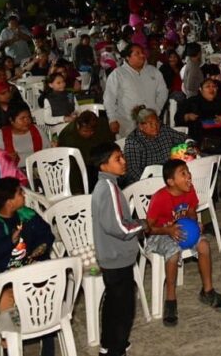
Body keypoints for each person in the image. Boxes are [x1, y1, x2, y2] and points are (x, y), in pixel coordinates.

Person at [0, 177, 56, 356]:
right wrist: (9, 242)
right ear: (9, 201)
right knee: (7, 306)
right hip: (0, 279)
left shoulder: (28, 215)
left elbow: (46, 234)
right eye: (20, 193)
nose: (24, 195)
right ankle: (9, 347)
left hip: (28, 272)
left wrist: (39, 250)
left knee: (47, 296)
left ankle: (48, 345)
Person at [145, 158, 221, 327]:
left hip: (184, 230)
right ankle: (170, 299)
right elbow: (149, 228)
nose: (189, 176)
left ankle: (207, 291)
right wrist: (168, 230)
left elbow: (191, 211)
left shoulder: (189, 191)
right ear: (171, 181)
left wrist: (194, 222)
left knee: (204, 245)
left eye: (188, 172)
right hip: (160, 234)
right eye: (183, 173)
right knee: (174, 253)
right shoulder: (160, 198)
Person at [90, 142, 151, 356]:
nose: (124, 161)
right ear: (103, 166)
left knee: (112, 304)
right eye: (118, 159)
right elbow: (120, 227)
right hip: (117, 258)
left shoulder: (107, 186)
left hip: (112, 256)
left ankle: (108, 346)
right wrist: (142, 224)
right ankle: (116, 349)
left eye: (122, 156)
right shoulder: (108, 189)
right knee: (124, 309)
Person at [175, 78, 221, 201]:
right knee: (205, 164)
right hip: (199, 138)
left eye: (214, 86)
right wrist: (188, 116)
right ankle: (210, 191)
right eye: (208, 86)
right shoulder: (192, 102)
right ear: (200, 89)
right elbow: (177, 118)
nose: (212, 89)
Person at [103, 44, 169, 137]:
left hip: (150, 123)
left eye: (142, 52)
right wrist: (112, 119)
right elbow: (109, 98)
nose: (142, 55)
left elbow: (163, 92)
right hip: (127, 123)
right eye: (137, 53)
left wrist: (157, 109)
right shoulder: (118, 74)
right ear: (127, 57)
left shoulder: (154, 71)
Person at [124, 106, 188, 186]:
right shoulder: (133, 142)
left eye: (157, 122)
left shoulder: (164, 129)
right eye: (151, 124)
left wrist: (190, 144)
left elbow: (183, 138)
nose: (155, 126)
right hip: (147, 182)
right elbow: (133, 170)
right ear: (141, 126)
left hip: (169, 175)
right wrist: (152, 183)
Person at [56, 110, 115, 193]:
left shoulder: (102, 126)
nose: (89, 133)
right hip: (77, 167)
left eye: (91, 131)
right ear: (78, 126)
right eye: (85, 131)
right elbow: (66, 162)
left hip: (98, 162)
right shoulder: (68, 135)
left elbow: (109, 146)